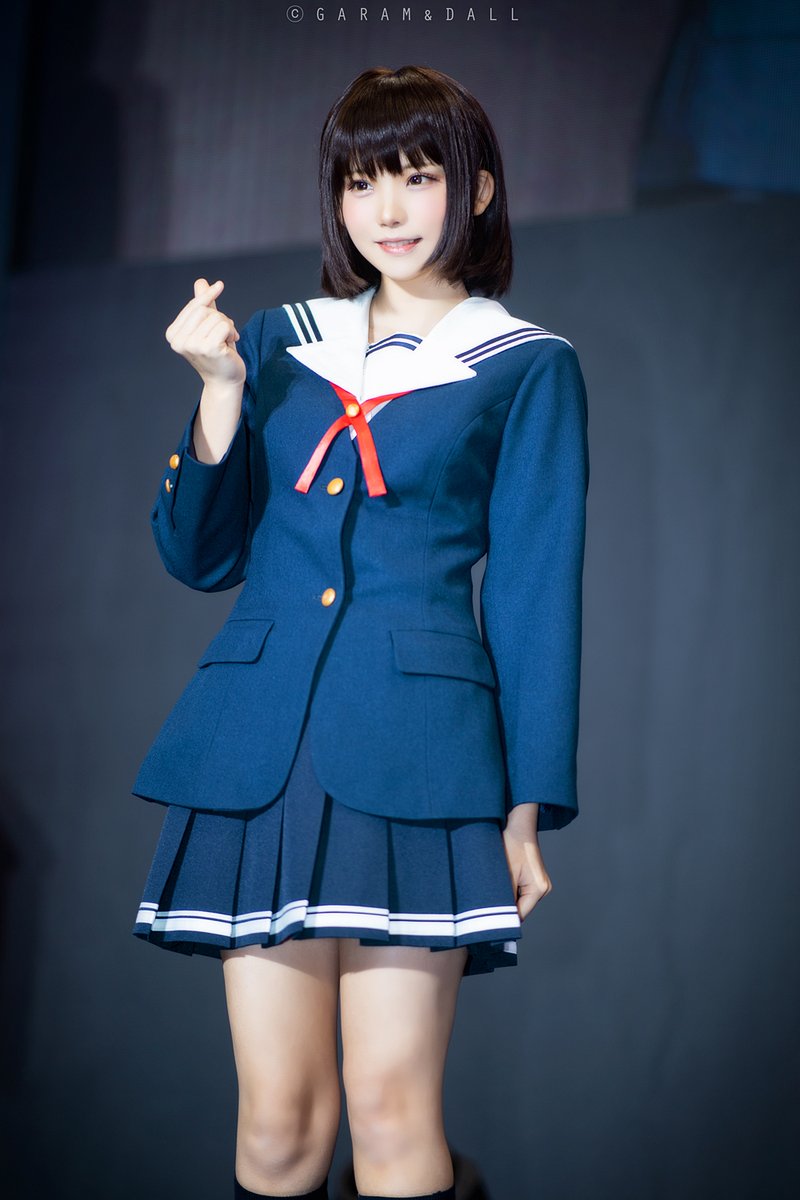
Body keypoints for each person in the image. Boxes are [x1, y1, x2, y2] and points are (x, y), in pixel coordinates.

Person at [130, 65, 590, 1200]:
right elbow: (198, 557)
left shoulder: (526, 363)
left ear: (477, 190)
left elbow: (535, 591)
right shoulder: (279, 342)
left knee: (390, 1119)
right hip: (260, 753)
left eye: (418, 177)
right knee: (277, 1130)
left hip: (420, 759)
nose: (388, 210)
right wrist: (220, 391)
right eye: (361, 182)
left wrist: (526, 811)